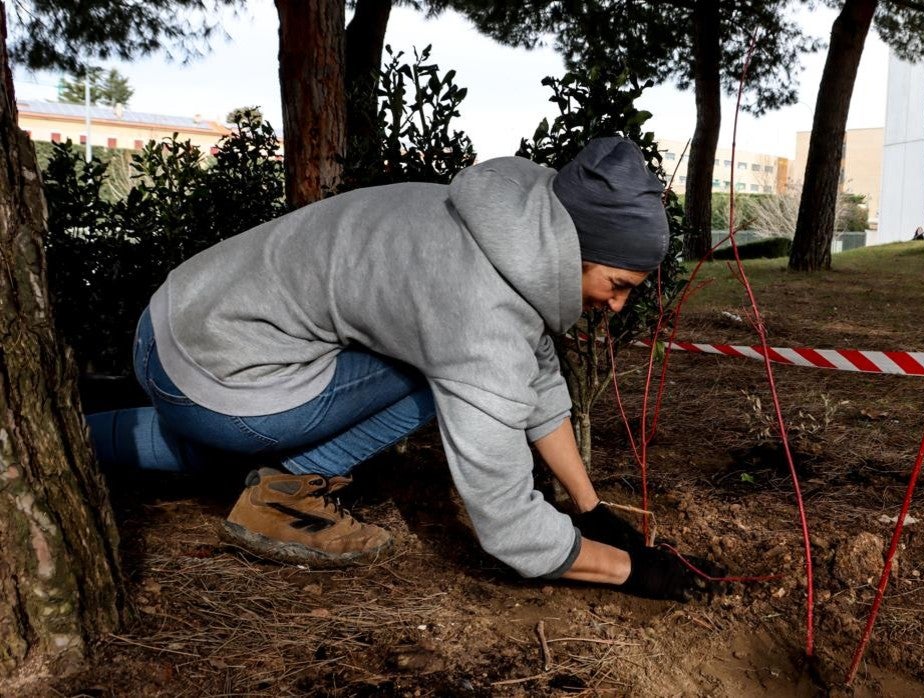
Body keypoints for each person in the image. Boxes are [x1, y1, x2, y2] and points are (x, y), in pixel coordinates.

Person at [87, 137, 706, 601]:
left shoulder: (502, 233)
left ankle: (77, 437)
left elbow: (538, 378)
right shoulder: (477, 314)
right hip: (221, 377)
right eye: (618, 284)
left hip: (171, 330)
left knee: (210, 443)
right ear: (572, 249)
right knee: (427, 378)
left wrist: (589, 506)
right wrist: (630, 571)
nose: (618, 304)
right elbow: (508, 526)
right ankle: (284, 486)